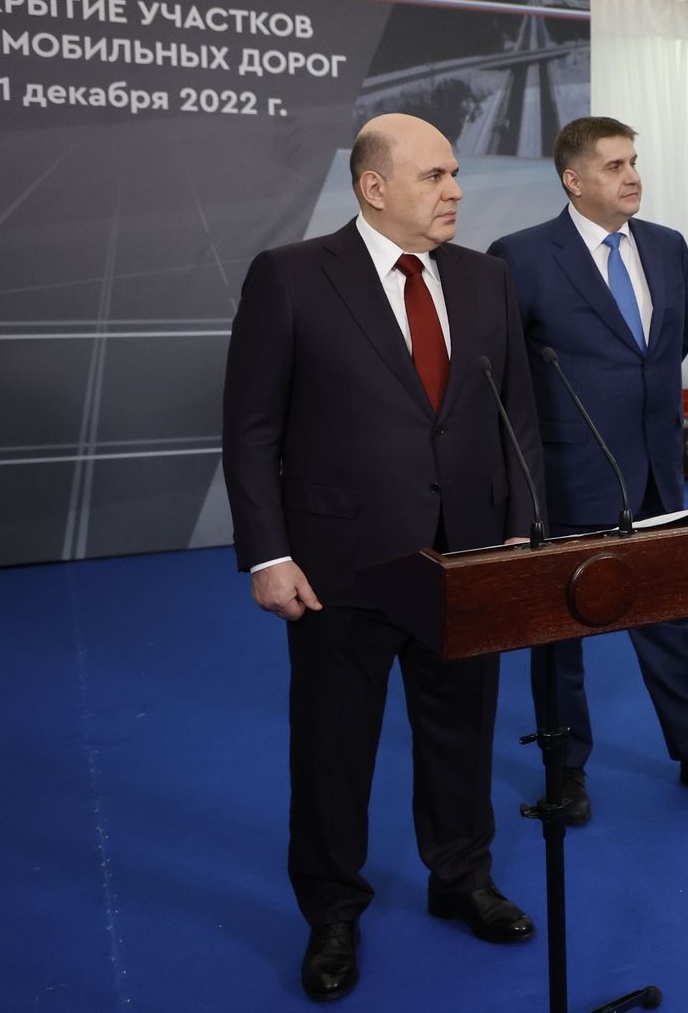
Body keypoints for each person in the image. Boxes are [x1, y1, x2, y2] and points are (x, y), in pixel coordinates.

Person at [222, 113, 546, 1001]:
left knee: (461, 735)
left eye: (454, 174)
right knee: (333, 749)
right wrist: (267, 555)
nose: (456, 191)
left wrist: (520, 529)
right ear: (374, 187)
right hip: (341, 566)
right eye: (436, 175)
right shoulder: (291, 275)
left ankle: (462, 877)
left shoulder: (485, 278)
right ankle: (332, 911)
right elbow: (251, 430)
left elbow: (516, 413)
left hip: (466, 558)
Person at [487, 116, 688, 825]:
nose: (633, 175)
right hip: (565, 477)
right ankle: (566, 772)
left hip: (656, 475)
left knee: (673, 621)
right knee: (560, 638)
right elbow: (507, 377)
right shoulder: (520, 256)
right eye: (614, 165)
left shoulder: (668, 247)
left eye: (634, 161)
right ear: (573, 180)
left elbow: (669, 347)